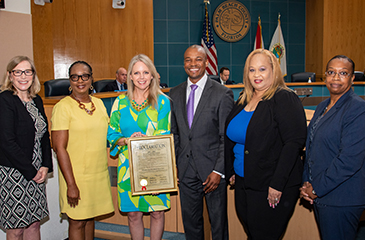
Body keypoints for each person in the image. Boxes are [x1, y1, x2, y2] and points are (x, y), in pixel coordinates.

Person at [225, 49, 307, 240]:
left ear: (274, 70)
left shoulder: (284, 98)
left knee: (264, 235)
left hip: (271, 184)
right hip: (244, 181)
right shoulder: (243, 98)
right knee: (253, 233)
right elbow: (234, 138)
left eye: (262, 69)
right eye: (252, 70)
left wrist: (277, 184)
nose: (257, 75)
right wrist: (232, 171)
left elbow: (293, 143)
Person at [170, 45, 233, 240]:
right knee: (191, 224)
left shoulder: (222, 93)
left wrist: (218, 171)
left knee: (218, 225)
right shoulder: (174, 93)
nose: (193, 64)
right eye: (188, 60)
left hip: (212, 172)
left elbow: (226, 137)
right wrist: (175, 165)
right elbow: (176, 134)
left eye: (198, 59)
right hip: (186, 172)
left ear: (206, 62)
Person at [300, 55, 365, 240]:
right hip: (322, 195)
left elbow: (349, 160)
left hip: (342, 198)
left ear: (352, 79)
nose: (336, 78)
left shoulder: (358, 109)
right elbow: (310, 146)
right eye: (331, 72)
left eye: (343, 73)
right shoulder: (322, 106)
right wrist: (306, 182)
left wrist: (316, 188)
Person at [107, 54, 171, 240]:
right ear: (130, 77)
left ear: (152, 75)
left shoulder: (162, 101)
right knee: (133, 215)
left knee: (157, 212)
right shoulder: (120, 102)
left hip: (154, 166)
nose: (141, 77)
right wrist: (127, 140)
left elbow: (163, 136)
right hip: (128, 166)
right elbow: (112, 135)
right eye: (137, 73)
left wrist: (160, 176)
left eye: (145, 72)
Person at [51, 61, 114, 240]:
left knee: (90, 218)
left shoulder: (99, 104)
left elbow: (109, 134)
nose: (80, 80)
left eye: (84, 76)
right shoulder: (62, 107)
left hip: (97, 175)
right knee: (77, 221)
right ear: (69, 81)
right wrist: (71, 184)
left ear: (91, 79)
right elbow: (59, 148)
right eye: (75, 77)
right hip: (75, 176)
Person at [0, 56, 53, 239]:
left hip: (37, 171)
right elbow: (7, 142)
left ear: (33, 75)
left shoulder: (36, 100)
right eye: (18, 72)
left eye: (27, 72)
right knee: (16, 228)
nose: (23, 76)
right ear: (10, 75)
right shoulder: (5, 100)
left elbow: (45, 135)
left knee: (34, 223)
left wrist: (45, 165)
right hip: (14, 173)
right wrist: (31, 171)